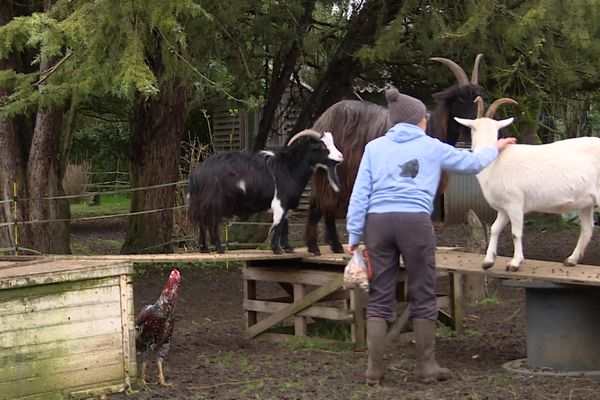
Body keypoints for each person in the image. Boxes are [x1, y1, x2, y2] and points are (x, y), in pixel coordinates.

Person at [345, 88, 516, 386]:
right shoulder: (432, 146)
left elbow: (360, 195)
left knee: (380, 295)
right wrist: (496, 148)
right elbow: (473, 164)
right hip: (415, 223)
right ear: (418, 121)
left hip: (378, 224)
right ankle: (426, 368)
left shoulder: (374, 148)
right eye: (423, 117)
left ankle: (374, 370)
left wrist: (354, 235)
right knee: (423, 292)